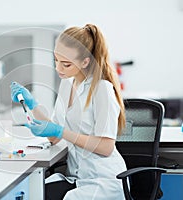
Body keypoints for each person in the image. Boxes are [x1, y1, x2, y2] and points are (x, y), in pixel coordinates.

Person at [11, 24, 127, 200]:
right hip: (77, 177)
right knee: (35, 192)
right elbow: (55, 137)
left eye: (65, 64)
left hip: (103, 179)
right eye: (55, 60)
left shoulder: (102, 89)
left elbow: (106, 147)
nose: (58, 69)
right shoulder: (67, 84)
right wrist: (32, 105)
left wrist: (61, 131)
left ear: (85, 62)